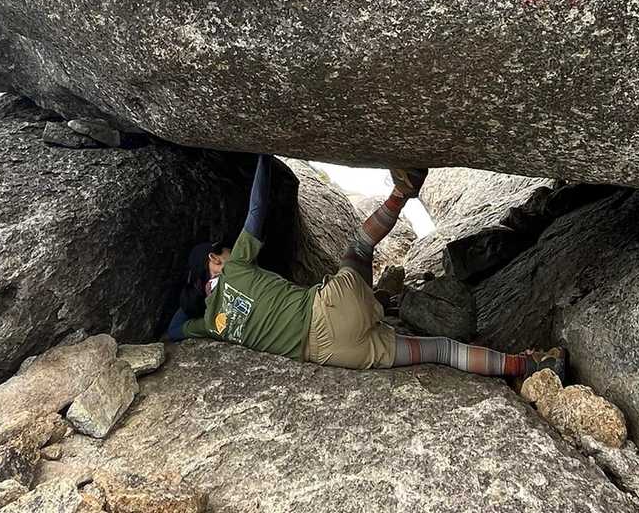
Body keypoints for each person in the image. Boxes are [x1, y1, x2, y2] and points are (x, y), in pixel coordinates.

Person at [166, 153, 567, 380]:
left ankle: (531, 366)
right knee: (358, 246)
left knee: (442, 350)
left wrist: (187, 302)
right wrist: (261, 152)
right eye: (221, 251)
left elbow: (172, 330)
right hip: (332, 307)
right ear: (213, 260)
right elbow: (257, 209)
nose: (227, 252)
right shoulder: (235, 267)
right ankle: (403, 190)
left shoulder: (208, 325)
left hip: (337, 352)